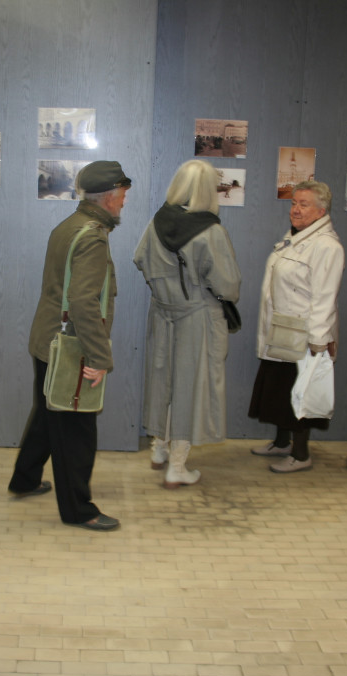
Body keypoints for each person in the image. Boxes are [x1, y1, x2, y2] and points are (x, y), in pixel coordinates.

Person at [7, 160, 130, 531]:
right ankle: (79, 510)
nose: (124, 203)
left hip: (48, 340)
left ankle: (25, 479)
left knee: (49, 414)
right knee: (76, 432)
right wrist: (99, 357)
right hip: (72, 347)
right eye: (122, 197)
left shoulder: (69, 225)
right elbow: (83, 304)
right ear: (108, 198)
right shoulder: (92, 236)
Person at [133, 159, 241, 488]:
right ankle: (177, 467)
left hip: (163, 312)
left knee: (162, 381)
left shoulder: (156, 222)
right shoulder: (210, 230)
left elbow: (140, 259)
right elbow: (228, 286)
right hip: (197, 317)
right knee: (191, 388)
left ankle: (159, 449)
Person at [248, 180, 344, 473]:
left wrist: (318, 341)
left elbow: (325, 298)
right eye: (294, 203)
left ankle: (301, 455)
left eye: (304, 204)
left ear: (320, 210)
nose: (296, 210)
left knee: (301, 394)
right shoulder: (295, 237)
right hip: (282, 331)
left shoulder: (327, 246)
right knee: (280, 393)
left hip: (304, 337)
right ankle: (281, 442)